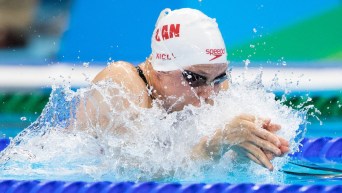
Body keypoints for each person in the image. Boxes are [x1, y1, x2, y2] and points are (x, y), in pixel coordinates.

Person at [75, 8, 289, 171]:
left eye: (219, 77)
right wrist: (213, 146)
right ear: (160, 68)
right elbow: (133, 171)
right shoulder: (122, 83)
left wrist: (240, 152)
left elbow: (200, 165)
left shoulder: (212, 85)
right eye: (195, 78)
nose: (209, 93)